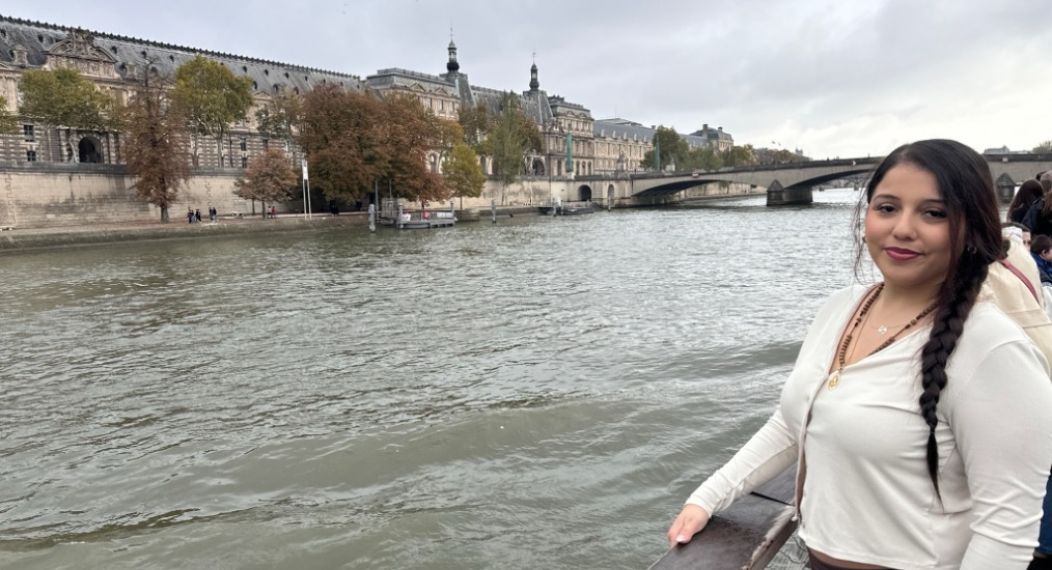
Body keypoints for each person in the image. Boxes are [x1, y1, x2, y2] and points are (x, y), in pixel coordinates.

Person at [667, 140, 1052, 569]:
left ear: (973, 227)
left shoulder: (993, 349)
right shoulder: (841, 308)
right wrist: (708, 497)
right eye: (887, 208)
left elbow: (1006, 533)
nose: (903, 228)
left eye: (934, 213)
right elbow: (794, 424)